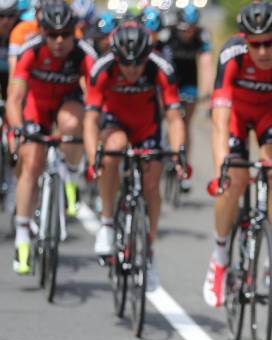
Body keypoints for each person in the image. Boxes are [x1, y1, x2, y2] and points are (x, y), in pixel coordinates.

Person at [203, 1, 272, 307]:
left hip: (271, 115)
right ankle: (220, 259)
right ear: (245, 41)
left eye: (270, 44)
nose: (263, 51)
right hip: (236, 116)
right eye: (256, 45)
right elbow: (219, 121)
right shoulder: (231, 55)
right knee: (234, 180)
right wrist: (221, 168)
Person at [84, 21, 186, 292]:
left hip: (147, 127)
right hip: (114, 123)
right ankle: (107, 223)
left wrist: (178, 154)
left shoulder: (161, 68)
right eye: (126, 64)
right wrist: (94, 154)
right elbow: (91, 119)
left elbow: (175, 118)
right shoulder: (102, 68)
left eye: (138, 64)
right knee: (113, 149)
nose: (131, 69)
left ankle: (148, 249)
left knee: (152, 182)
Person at [6, 0, 96, 273]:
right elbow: (14, 98)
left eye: (65, 34)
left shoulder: (84, 54)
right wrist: (18, 129)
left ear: (73, 32)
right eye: (52, 34)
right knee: (31, 161)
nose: (59, 41)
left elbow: (96, 98)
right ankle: (22, 236)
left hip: (67, 103)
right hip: (36, 107)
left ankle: (69, 172)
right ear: (42, 32)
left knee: (72, 123)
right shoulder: (29, 50)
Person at [157, 3, 213, 192]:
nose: (188, 33)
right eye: (184, 30)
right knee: (164, 117)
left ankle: (183, 166)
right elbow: (154, 57)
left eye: (191, 29)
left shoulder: (202, 36)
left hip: (189, 81)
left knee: (185, 123)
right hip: (168, 80)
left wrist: (206, 93)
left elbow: (206, 64)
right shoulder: (167, 34)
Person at [0, 0, 21, 99]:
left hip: (16, 74)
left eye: (10, 15)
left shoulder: (24, 29)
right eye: (1, 15)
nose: (5, 20)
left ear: (17, 15)